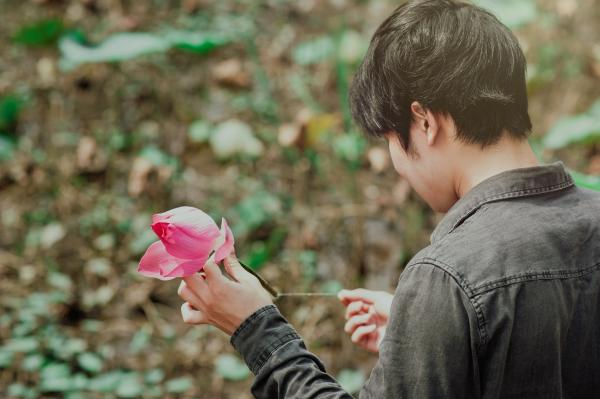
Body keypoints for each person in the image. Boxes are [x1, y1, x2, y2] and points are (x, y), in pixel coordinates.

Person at [175, 0, 600, 397]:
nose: (396, 161)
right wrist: (422, 329)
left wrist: (255, 328)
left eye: (391, 141)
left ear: (424, 122)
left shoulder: (449, 276)